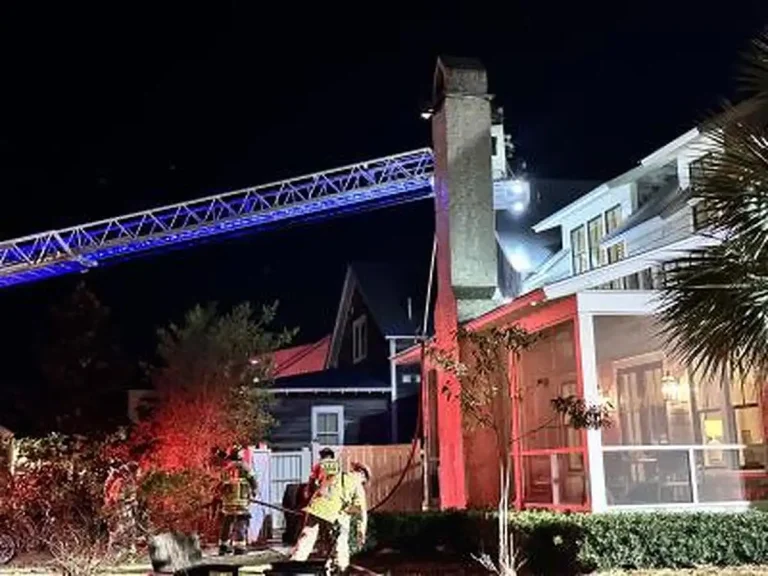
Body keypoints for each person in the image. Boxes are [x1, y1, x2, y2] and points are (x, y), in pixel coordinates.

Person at [290, 461, 370, 573]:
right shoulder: (357, 484)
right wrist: (361, 533)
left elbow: (319, 487)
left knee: (305, 541)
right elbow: (361, 513)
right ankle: (340, 569)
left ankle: (293, 567)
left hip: (315, 507)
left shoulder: (335, 475)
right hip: (332, 513)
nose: (363, 484)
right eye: (364, 482)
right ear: (362, 475)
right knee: (340, 545)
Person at [215, 444, 258, 556]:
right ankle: (239, 547)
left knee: (227, 523)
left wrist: (218, 495)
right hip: (241, 502)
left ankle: (223, 546)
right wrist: (255, 491)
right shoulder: (245, 467)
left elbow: (220, 485)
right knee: (241, 523)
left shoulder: (227, 468)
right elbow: (252, 480)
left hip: (228, 502)